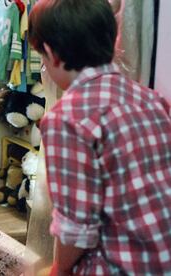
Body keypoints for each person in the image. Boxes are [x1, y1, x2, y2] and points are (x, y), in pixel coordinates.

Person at [28, 0, 171, 275]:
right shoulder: (150, 99)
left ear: (50, 53)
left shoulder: (67, 118)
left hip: (120, 264)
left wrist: (57, 269)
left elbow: (76, 229)